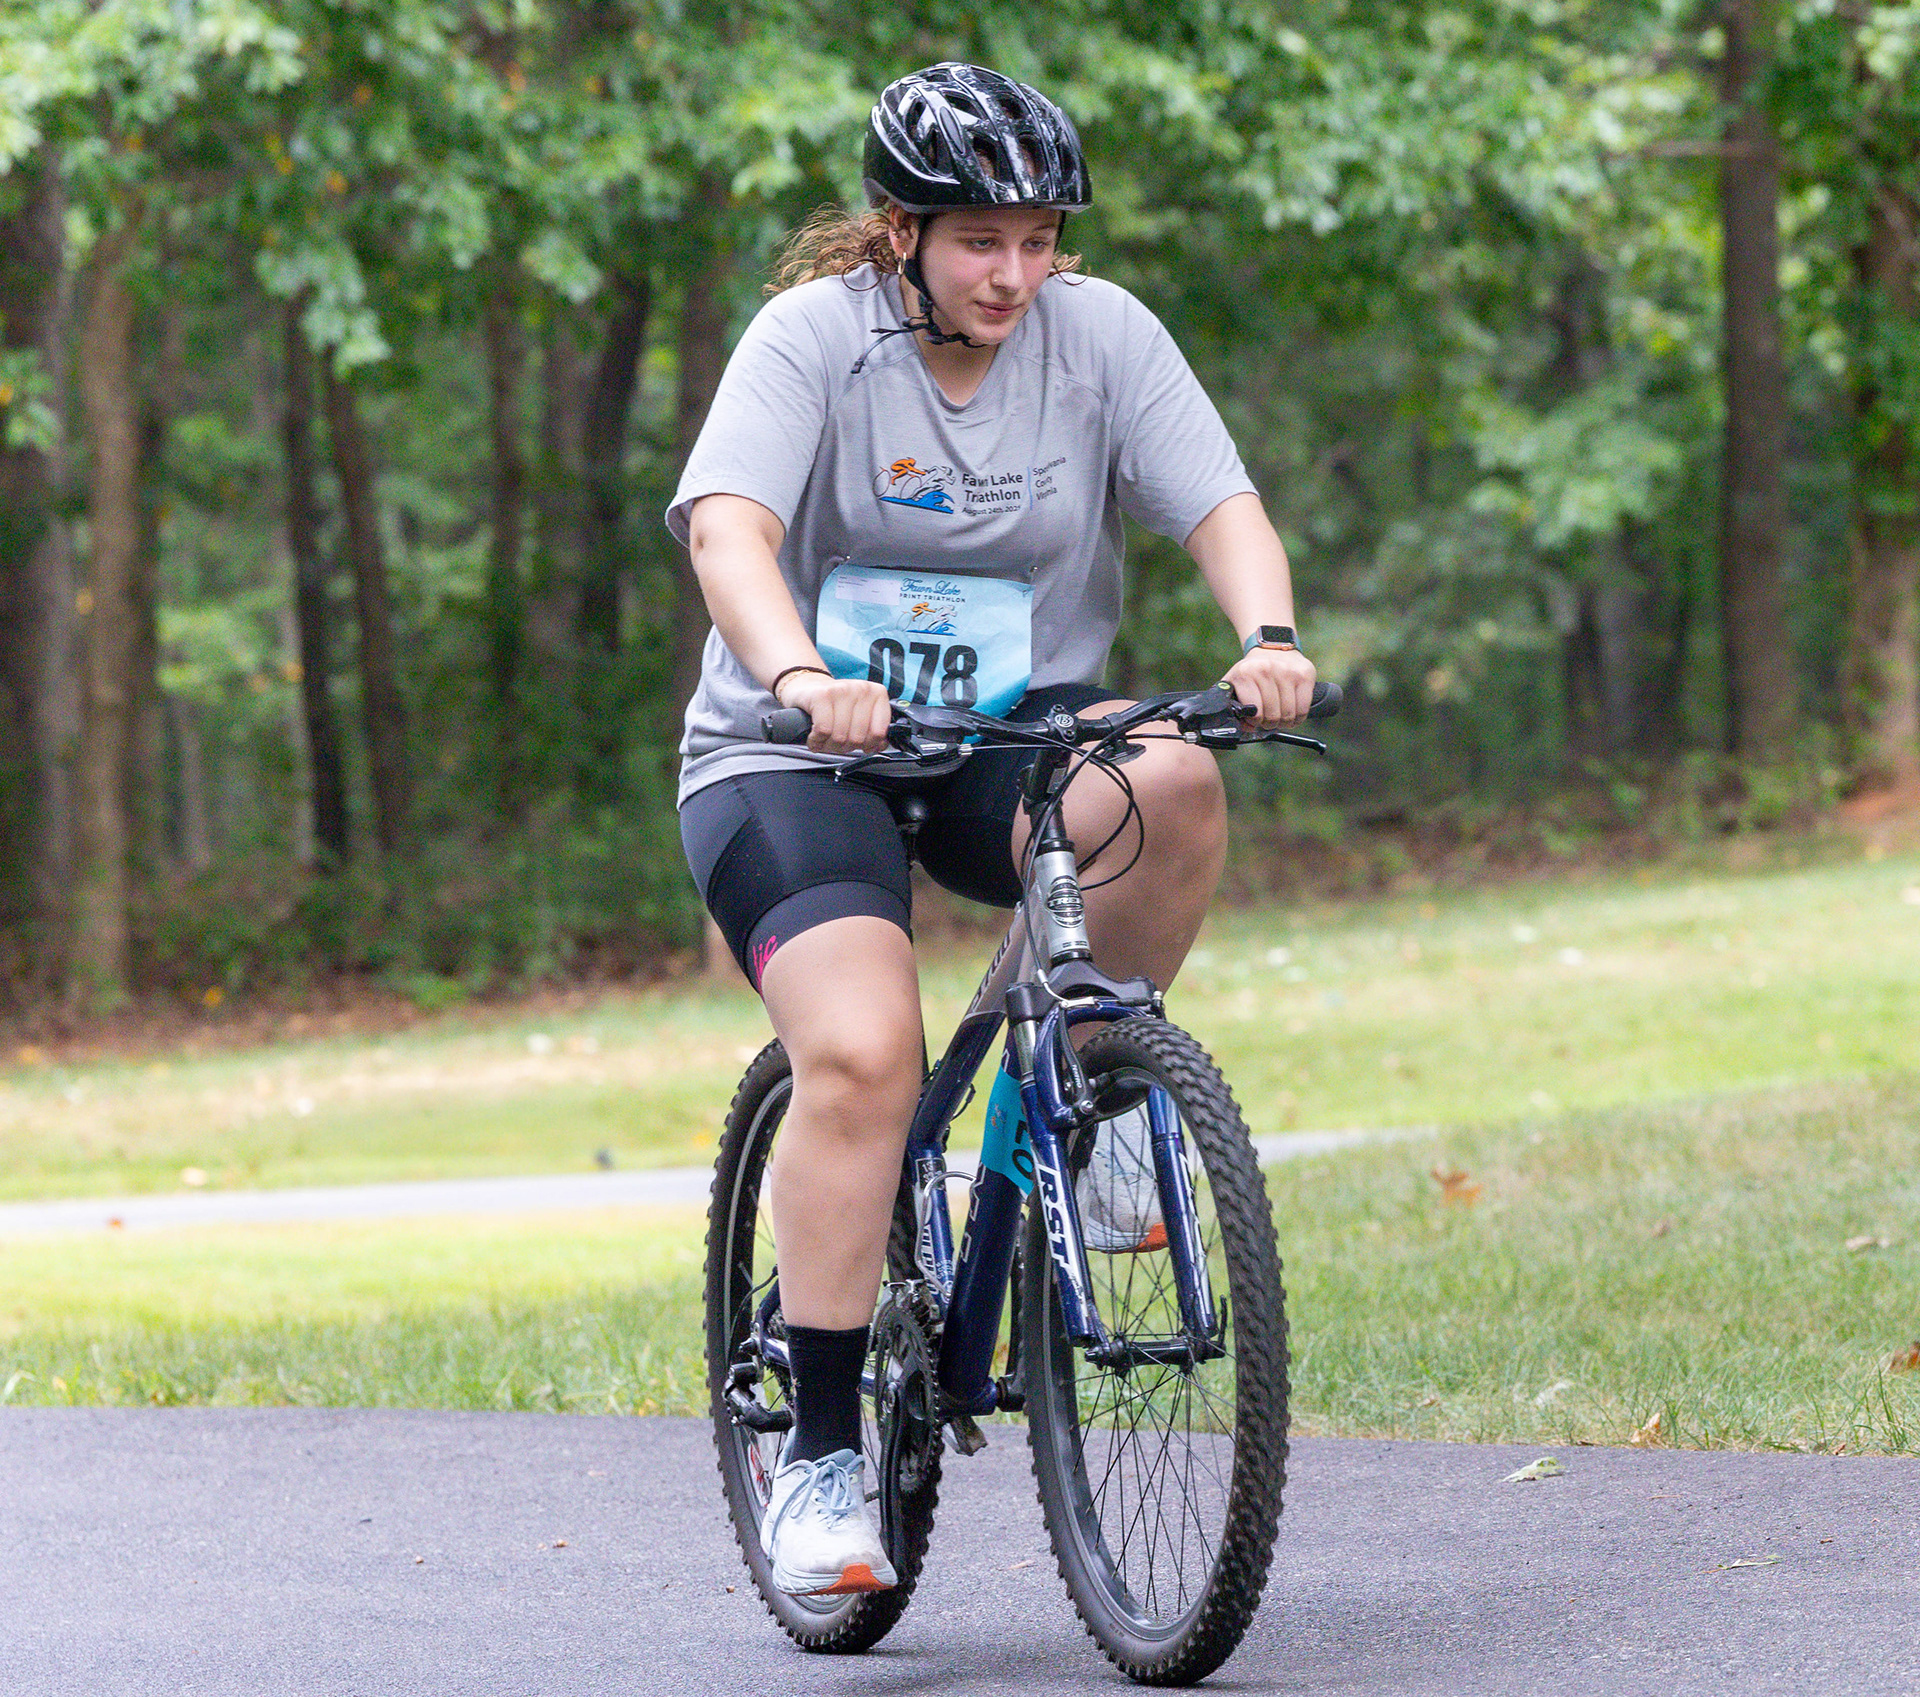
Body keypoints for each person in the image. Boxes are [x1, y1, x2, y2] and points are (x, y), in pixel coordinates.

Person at [669, 61, 1315, 1599]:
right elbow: (728, 531)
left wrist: (1269, 635)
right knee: (860, 1060)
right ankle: (821, 1460)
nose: (1014, 274)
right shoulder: (812, 341)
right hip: (795, 753)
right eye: (980, 242)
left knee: (1170, 776)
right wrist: (802, 675)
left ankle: (1084, 1072)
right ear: (900, 232)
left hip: (1000, 737)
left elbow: (1218, 504)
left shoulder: (1101, 338)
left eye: (1038, 240)